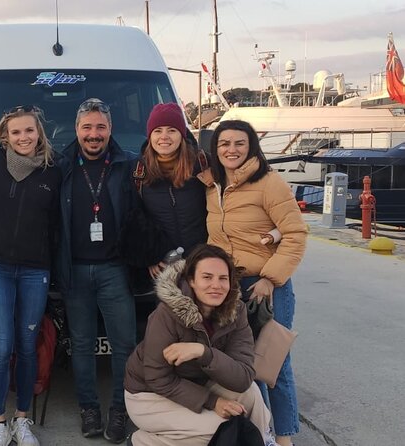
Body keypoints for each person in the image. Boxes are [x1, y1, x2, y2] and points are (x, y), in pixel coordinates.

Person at [198, 119, 307, 446]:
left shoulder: (269, 182)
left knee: (272, 363)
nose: (231, 150)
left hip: (267, 285)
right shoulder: (212, 186)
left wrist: (271, 278)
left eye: (239, 144)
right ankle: (263, 434)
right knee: (244, 366)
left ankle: (285, 439)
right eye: (224, 144)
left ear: (251, 147)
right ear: (215, 149)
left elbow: (295, 234)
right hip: (230, 288)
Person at [124, 244, 275, 446]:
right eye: (207, 277)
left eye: (223, 278)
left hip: (197, 383)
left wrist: (204, 353)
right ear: (191, 281)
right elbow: (157, 378)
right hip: (148, 395)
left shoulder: (236, 312)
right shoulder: (166, 314)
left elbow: (243, 377)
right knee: (220, 429)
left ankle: (263, 441)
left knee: (251, 395)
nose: (216, 285)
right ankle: (143, 441)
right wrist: (213, 402)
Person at [0, 105, 61, 446]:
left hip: (35, 269)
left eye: (29, 130)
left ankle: (22, 421)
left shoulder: (54, 170)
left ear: (39, 133)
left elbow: (57, 222)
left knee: (26, 347)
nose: (23, 137)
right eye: (16, 132)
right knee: (1, 347)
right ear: (4, 136)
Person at [56, 98, 138, 444]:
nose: (93, 134)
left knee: (125, 346)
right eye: (87, 127)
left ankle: (119, 410)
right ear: (76, 130)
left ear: (110, 130)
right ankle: (88, 408)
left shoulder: (128, 166)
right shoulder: (59, 166)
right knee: (82, 345)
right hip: (74, 270)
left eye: (100, 127)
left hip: (114, 270)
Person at [132, 102, 208, 279]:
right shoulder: (138, 171)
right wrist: (149, 256)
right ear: (150, 136)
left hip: (202, 262)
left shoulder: (203, 164)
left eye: (172, 130)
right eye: (157, 131)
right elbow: (136, 220)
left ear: (182, 135)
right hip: (165, 267)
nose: (164, 137)